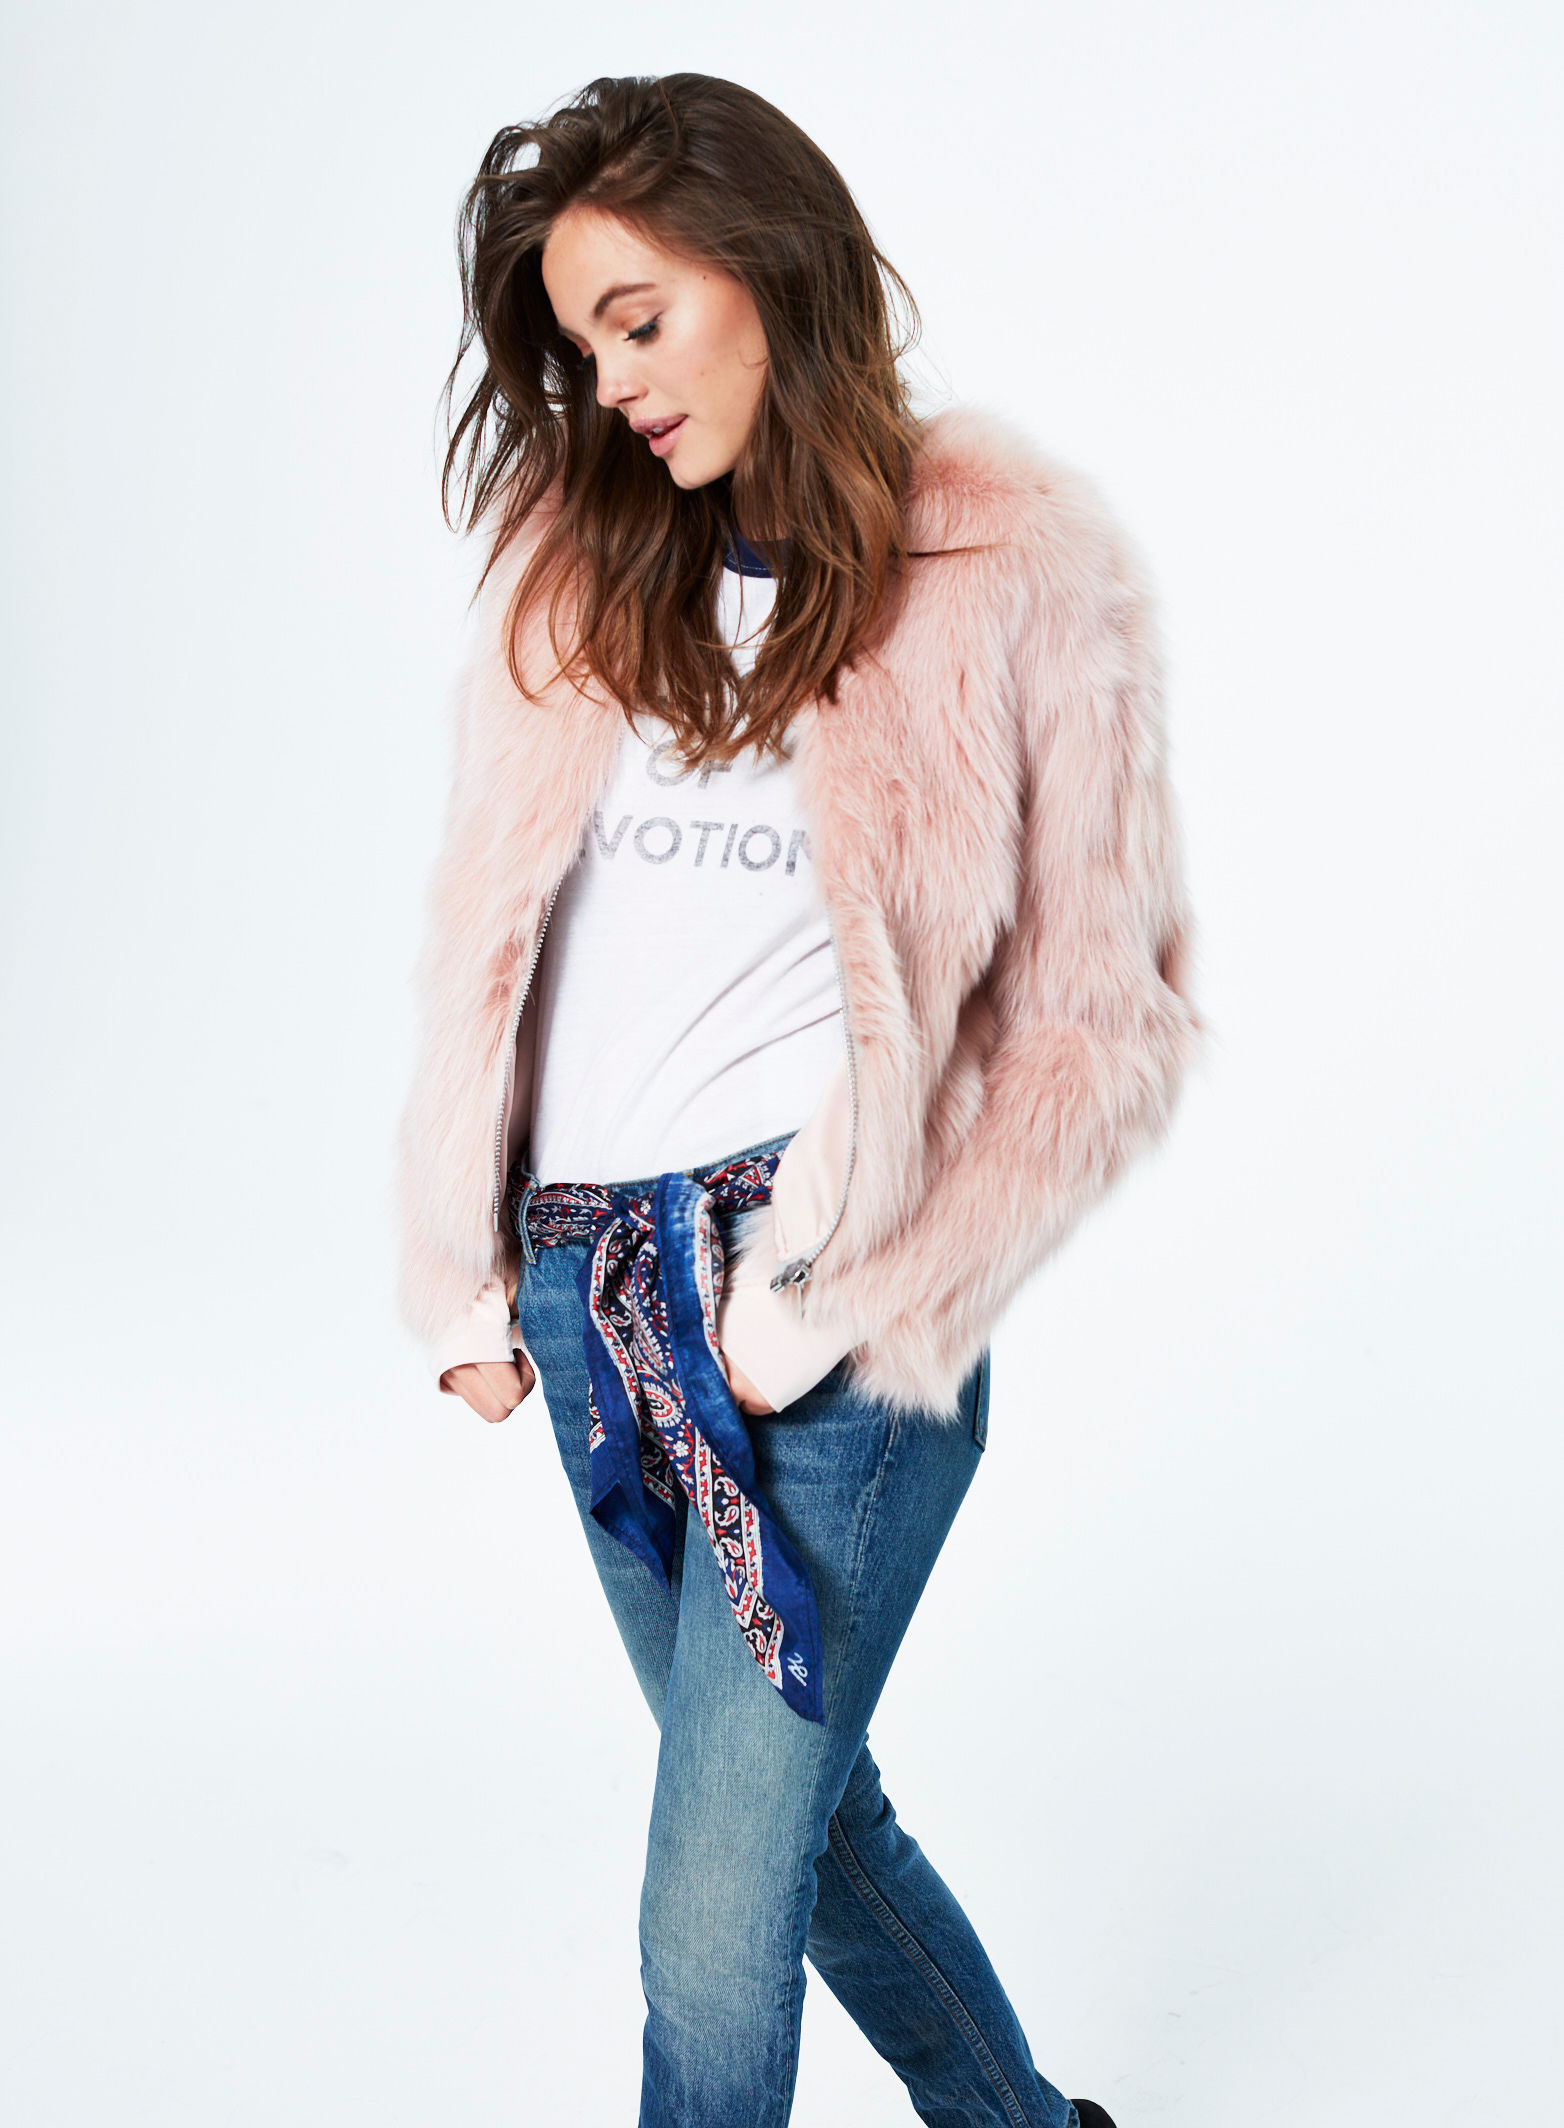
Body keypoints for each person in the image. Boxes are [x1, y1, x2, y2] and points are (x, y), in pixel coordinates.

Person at [395, 70, 1202, 2128]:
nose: (611, 383)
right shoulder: (576, 568)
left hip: (824, 1313)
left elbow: (1103, 1022)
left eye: (640, 318)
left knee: (710, 1913)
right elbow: (496, 925)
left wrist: (830, 1293)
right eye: (582, 345)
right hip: (592, 1306)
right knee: (808, 1832)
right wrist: (460, 1257)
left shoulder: (1003, 565)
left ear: (767, 267)